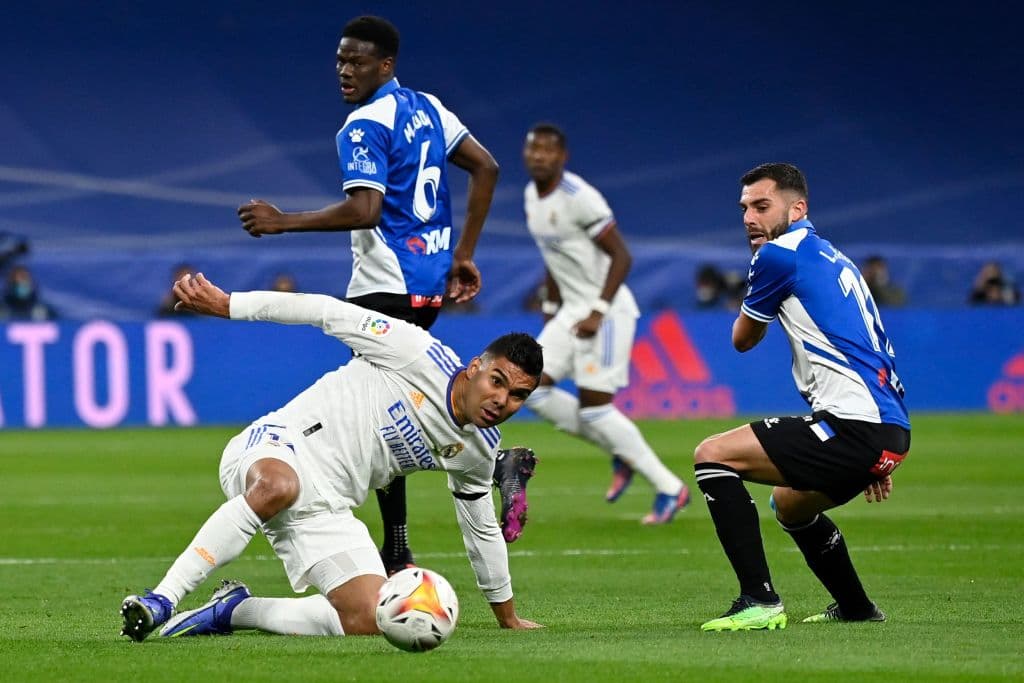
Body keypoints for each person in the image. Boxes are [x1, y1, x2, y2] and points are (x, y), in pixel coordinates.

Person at [120, 272, 543, 642]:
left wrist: (507, 617)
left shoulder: (478, 450)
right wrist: (229, 304)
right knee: (279, 486)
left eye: (517, 395)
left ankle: (233, 610)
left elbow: (481, 530)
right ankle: (162, 599)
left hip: (328, 509)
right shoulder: (414, 351)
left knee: (373, 619)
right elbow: (324, 310)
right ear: (475, 368)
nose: (501, 400)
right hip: (277, 447)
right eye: (497, 381)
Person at [236, 16, 503, 574]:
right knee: (398, 405)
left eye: (356, 61)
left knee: (377, 416)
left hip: (384, 286)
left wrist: (283, 222)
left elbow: (365, 210)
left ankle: (431, 516)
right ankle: (407, 536)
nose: (344, 71)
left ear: (386, 65)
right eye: (339, 60)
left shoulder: (362, 125)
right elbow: (486, 166)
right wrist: (463, 253)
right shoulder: (429, 107)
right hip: (426, 287)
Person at [693, 163, 911, 631]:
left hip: (858, 425)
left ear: (798, 208)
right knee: (791, 504)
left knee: (712, 456)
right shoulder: (835, 257)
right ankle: (856, 608)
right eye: (745, 208)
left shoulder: (777, 256)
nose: (750, 217)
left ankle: (759, 598)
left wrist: (752, 287)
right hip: (888, 427)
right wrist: (877, 451)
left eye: (762, 206)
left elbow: (743, 338)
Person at [520, 123, 689, 524]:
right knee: (531, 389)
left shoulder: (580, 198)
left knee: (598, 410)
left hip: (607, 311)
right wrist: (550, 304)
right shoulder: (531, 196)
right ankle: (621, 450)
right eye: (533, 150)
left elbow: (622, 256)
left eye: (548, 150)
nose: (539, 156)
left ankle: (670, 488)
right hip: (570, 310)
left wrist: (597, 309)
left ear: (563, 157)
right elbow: (553, 257)